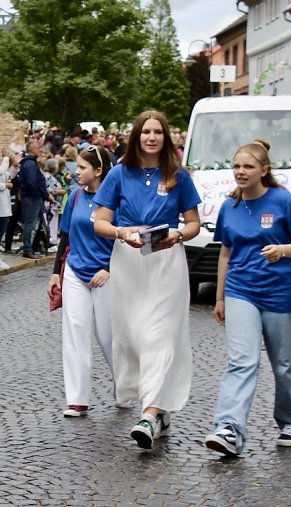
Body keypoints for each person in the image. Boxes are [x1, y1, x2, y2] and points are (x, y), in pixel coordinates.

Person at [92, 109, 201, 450]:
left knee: (161, 336)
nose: (151, 137)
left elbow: (194, 223)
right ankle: (161, 408)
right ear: (136, 136)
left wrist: (179, 236)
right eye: (145, 132)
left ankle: (149, 413)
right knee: (135, 336)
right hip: (129, 261)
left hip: (167, 260)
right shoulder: (120, 174)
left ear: (165, 138)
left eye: (157, 132)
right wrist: (122, 233)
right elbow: (100, 223)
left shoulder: (178, 176)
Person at [204, 140, 291, 457]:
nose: (241, 172)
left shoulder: (282, 201)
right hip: (241, 289)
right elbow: (225, 253)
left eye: (248, 167)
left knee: (284, 363)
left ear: (264, 171)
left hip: (280, 291)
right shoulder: (230, 207)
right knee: (242, 361)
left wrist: (283, 250)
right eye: (237, 166)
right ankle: (228, 429)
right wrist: (221, 297)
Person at [48, 145, 119, 418]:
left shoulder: (114, 200)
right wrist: (56, 272)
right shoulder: (75, 196)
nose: (75, 172)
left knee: (108, 336)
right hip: (75, 272)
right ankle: (77, 399)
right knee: (75, 334)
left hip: (105, 275)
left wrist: (109, 268)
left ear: (98, 171)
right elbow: (65, 236)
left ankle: (124, 387)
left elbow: (123, 238)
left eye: (81, 168)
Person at [17, 141, 50, 259]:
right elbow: (32, 182)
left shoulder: (30, 163)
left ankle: (31, 247)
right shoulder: (30, 164)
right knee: (30, 224)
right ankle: (27, 249)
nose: (39, 150)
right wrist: (40, 194)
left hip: (32, 196)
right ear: (31, 149)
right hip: (32, 197)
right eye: (37, 148)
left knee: (32, 223)